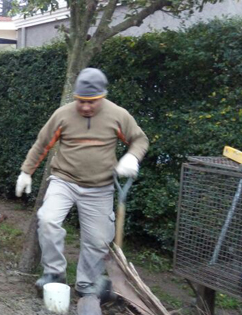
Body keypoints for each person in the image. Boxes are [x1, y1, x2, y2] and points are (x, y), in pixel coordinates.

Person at [15, 68, 149, 298]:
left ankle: (86, 283)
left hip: (100, 186)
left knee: (98, 240)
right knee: (47, 220)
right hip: (64, 180)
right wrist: (26, 172)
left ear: (102, 97)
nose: (86, 106)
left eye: (92, 102)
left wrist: (132, 157)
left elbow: (139, 139)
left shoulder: (118, 115)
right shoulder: (63, 115)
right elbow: (42, 143)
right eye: (81, 101)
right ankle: (54, 273)